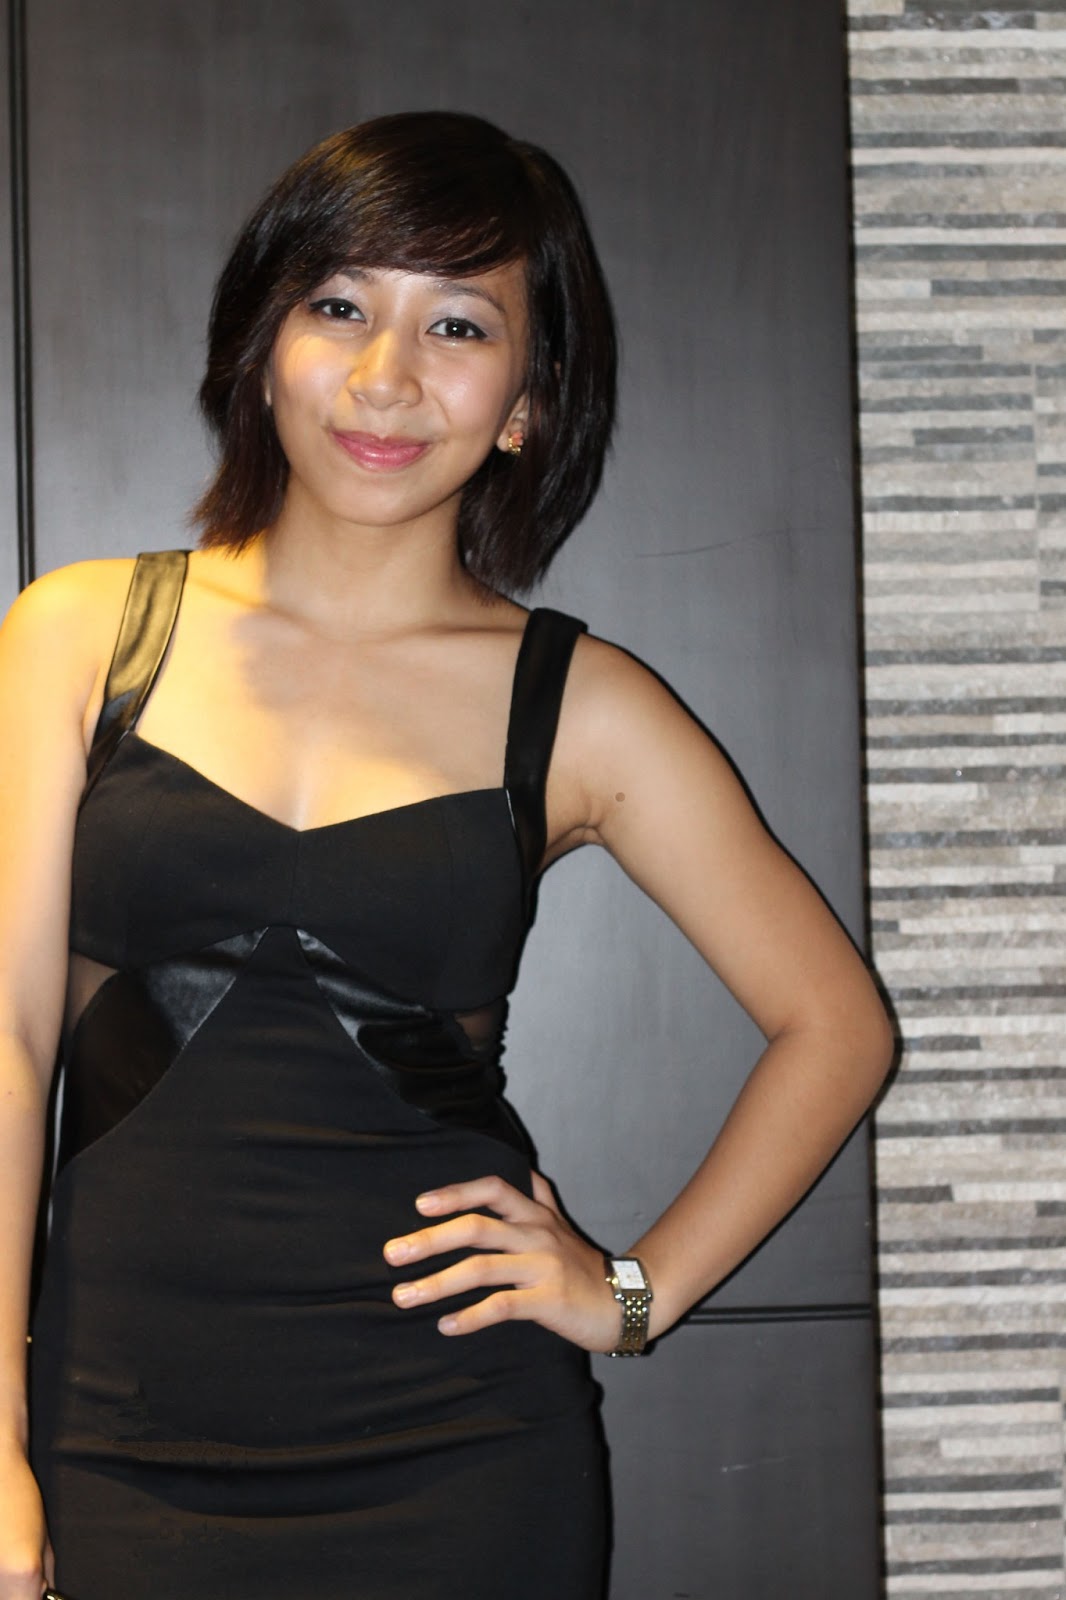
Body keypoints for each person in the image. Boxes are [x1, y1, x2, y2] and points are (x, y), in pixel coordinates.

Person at [0, 111, 892, 1599]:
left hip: (465, 1456)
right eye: (340, 305)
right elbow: (11, 1038)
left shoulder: (584, 704)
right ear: (262, 346)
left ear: (528, 399)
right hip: (110, 1435)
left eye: (458, 324)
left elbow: (837, 1025)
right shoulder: (81, 632)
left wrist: (629, 1294)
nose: (385, 377)